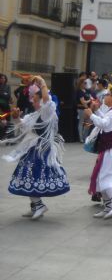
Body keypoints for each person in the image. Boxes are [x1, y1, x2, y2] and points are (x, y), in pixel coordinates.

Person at [2, 76, 69, 219]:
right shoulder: (35, 115)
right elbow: (23, 125)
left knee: (30, 174)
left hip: (42, 150)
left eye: (35, 99)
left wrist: (43, 83)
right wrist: (16, 117)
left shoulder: (47, 112)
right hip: (34, 149)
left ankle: (39, 205)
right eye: (33, 99)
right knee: (28, 175)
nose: (32, 101)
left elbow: (47, 101)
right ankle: (35, 206)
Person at [84, 88, 112, 219]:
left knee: (106, 177)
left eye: (108, 95)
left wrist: (91, 114)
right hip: (111, 149)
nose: (105, 97)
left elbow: (103, 124)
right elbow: (105, 120)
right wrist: (96, 111)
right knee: (102, 177)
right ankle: (108, 206)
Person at [76, 77, 96, 142]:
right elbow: (83, 102)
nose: (85, 84)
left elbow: (91, 98)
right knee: (81, 122)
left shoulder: (87, 91)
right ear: (81, 83)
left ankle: (85, 137)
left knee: (88, 123)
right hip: (81, 109)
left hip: (87, 108)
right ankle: (81, 138)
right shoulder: (79, 91)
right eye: (84, 83)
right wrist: (89, 100)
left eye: (86, 83)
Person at [0, 73, 12, 139]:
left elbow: (8, 96)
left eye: (4, 78)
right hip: (0, 108)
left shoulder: (8, 86)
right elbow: (5, 95)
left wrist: (3, 94)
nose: (3, 79)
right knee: (1, 120)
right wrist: (4, 93)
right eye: (1, 78)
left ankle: (6, 135)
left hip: (6, 107)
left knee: (7, 121)